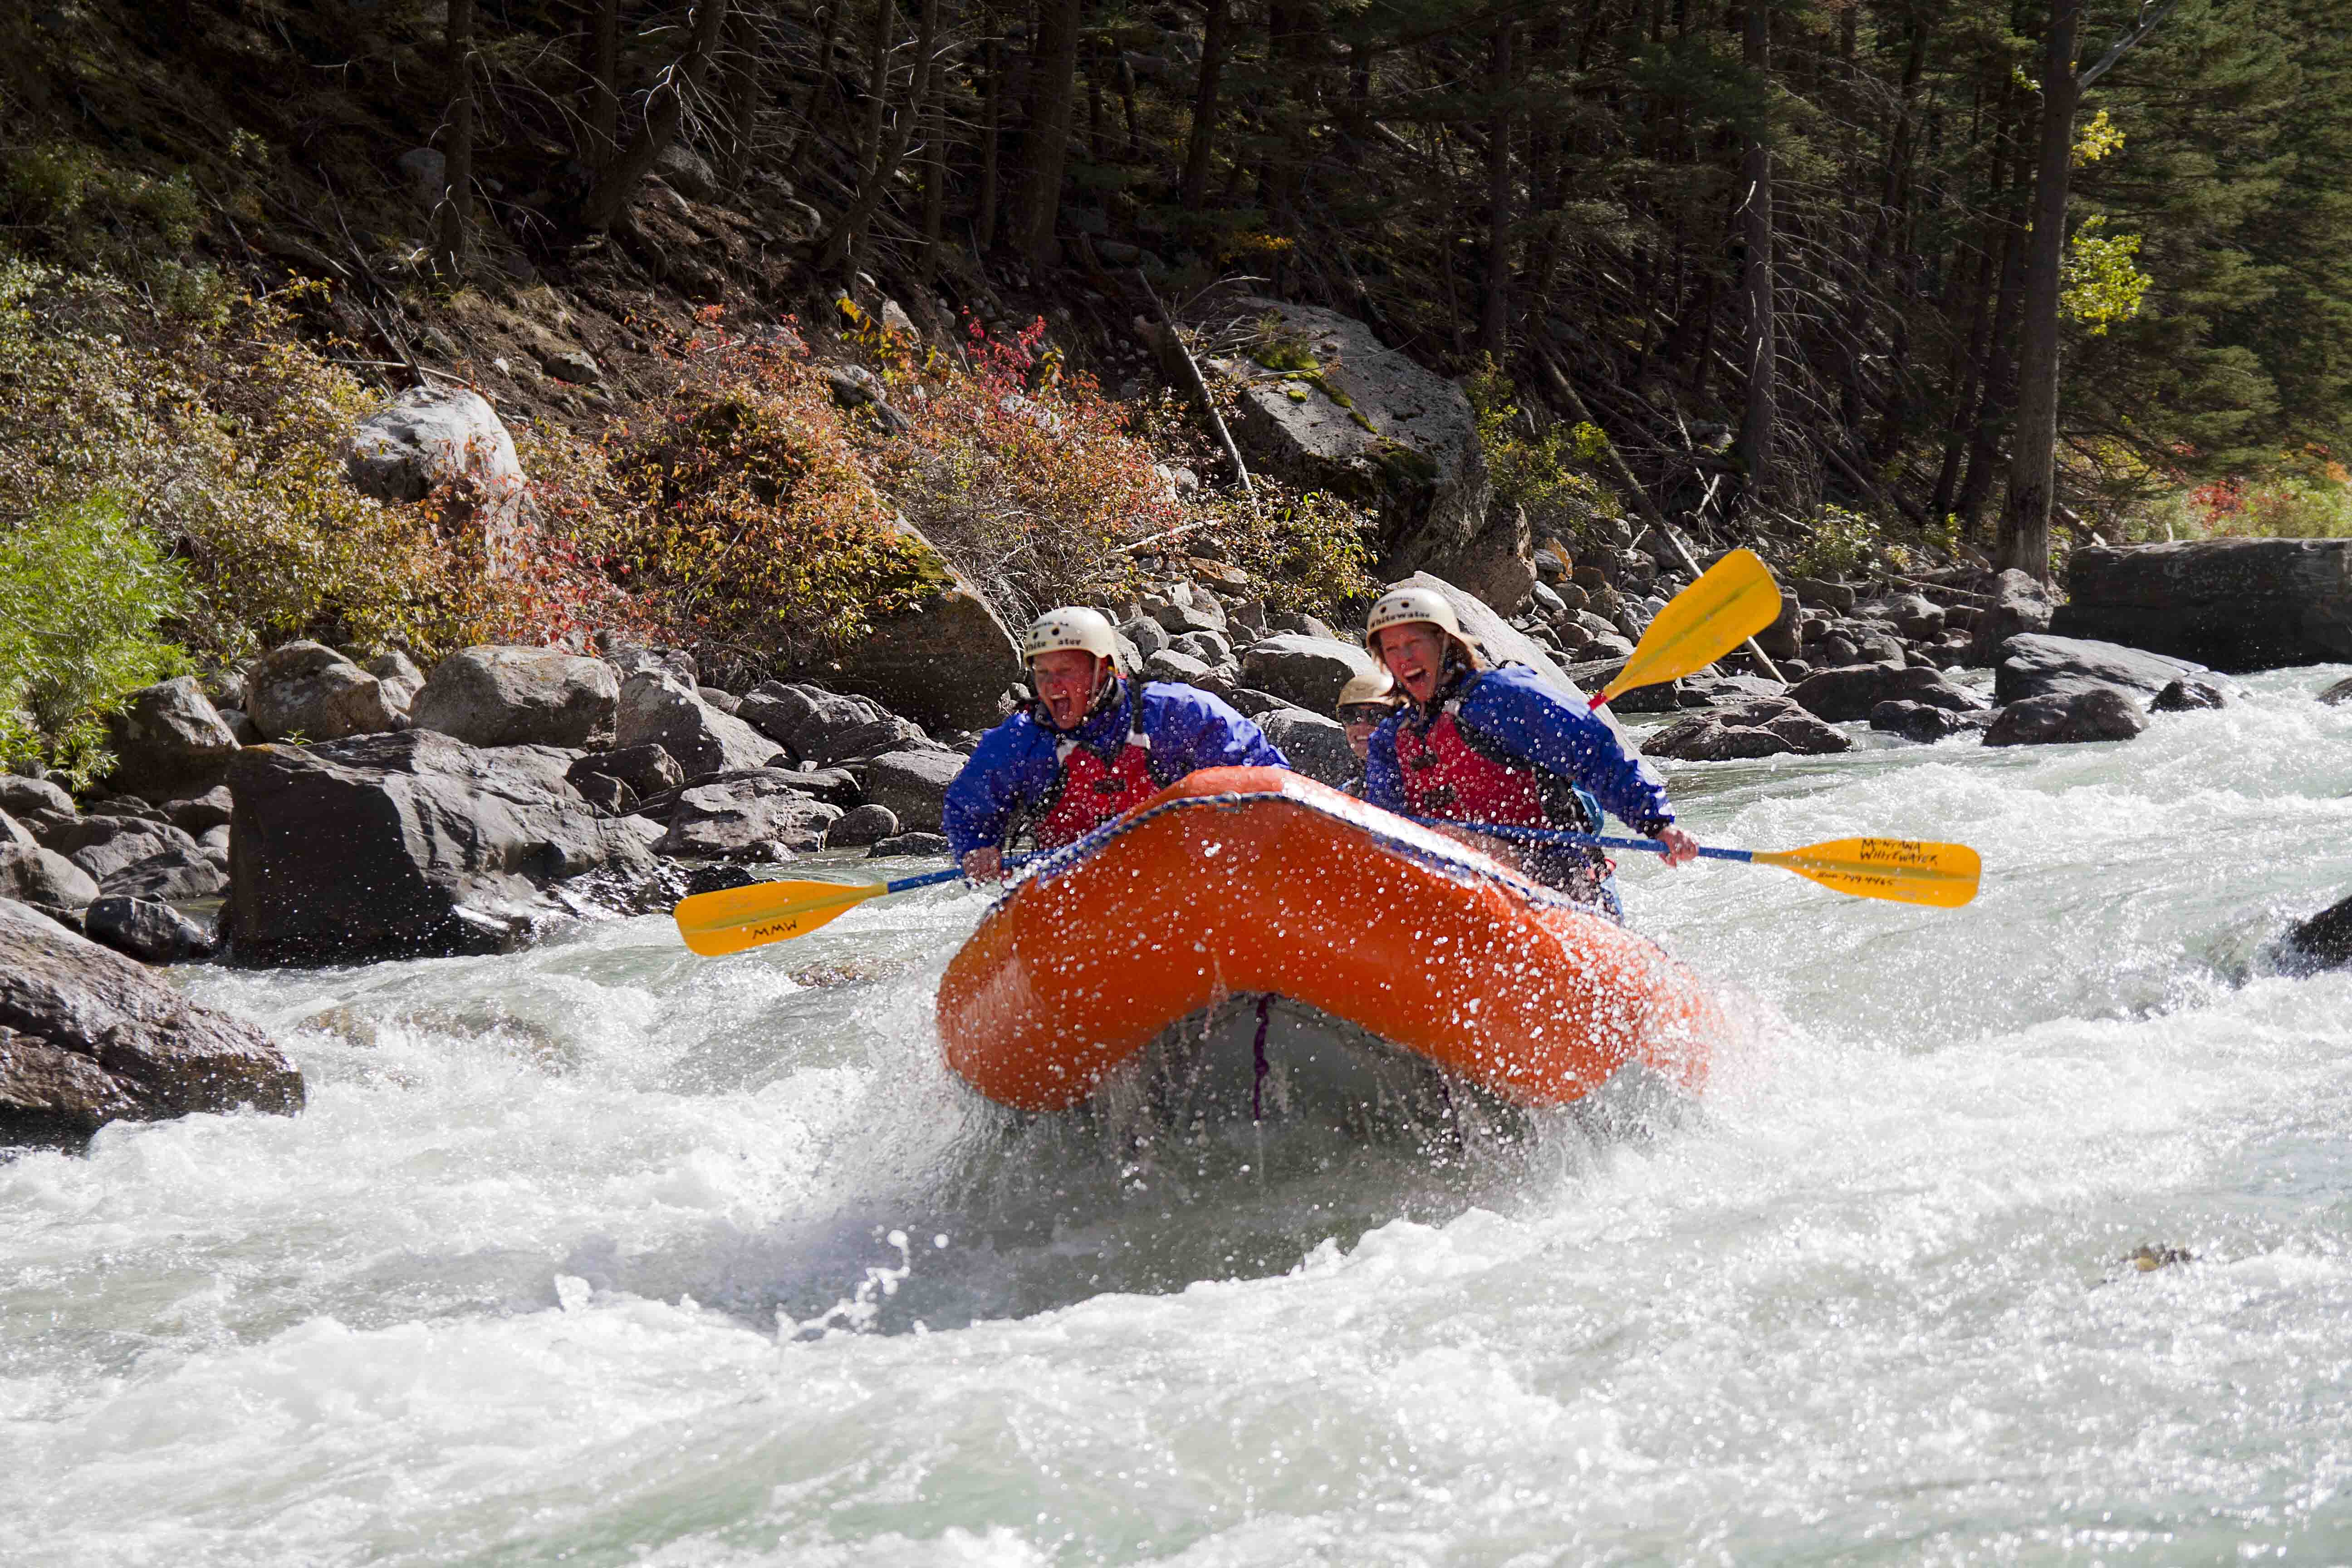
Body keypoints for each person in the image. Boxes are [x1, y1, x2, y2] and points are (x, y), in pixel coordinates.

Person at [1358, 586, 1698, 915]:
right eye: (1391, 649)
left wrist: (1657, 823)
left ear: (1444, 642)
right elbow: (1385, 822)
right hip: (1454, 881)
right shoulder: (1393, 735)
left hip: (1556, 873)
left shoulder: (1500, 697)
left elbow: (1592, 750)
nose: (1404, 658)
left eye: (1414, 643)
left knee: (1448, 837)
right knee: (1418, 840)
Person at [945, 607, 1291, 879]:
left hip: (1182, 873)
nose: (1052, 687)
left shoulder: (1176, 714)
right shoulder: (1021, 742)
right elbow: (967, 808)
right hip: (1074, 883)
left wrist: (1237, 828)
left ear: (1103, 669)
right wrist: (977, 850)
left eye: (1065, 671)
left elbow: (1266, 774)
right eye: (1042, 673)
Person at [1335, 666, 1404, 795]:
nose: (1362, 725)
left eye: (1377, 716)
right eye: (1350, 715)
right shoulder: (1352, 788)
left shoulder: (1413, 778)